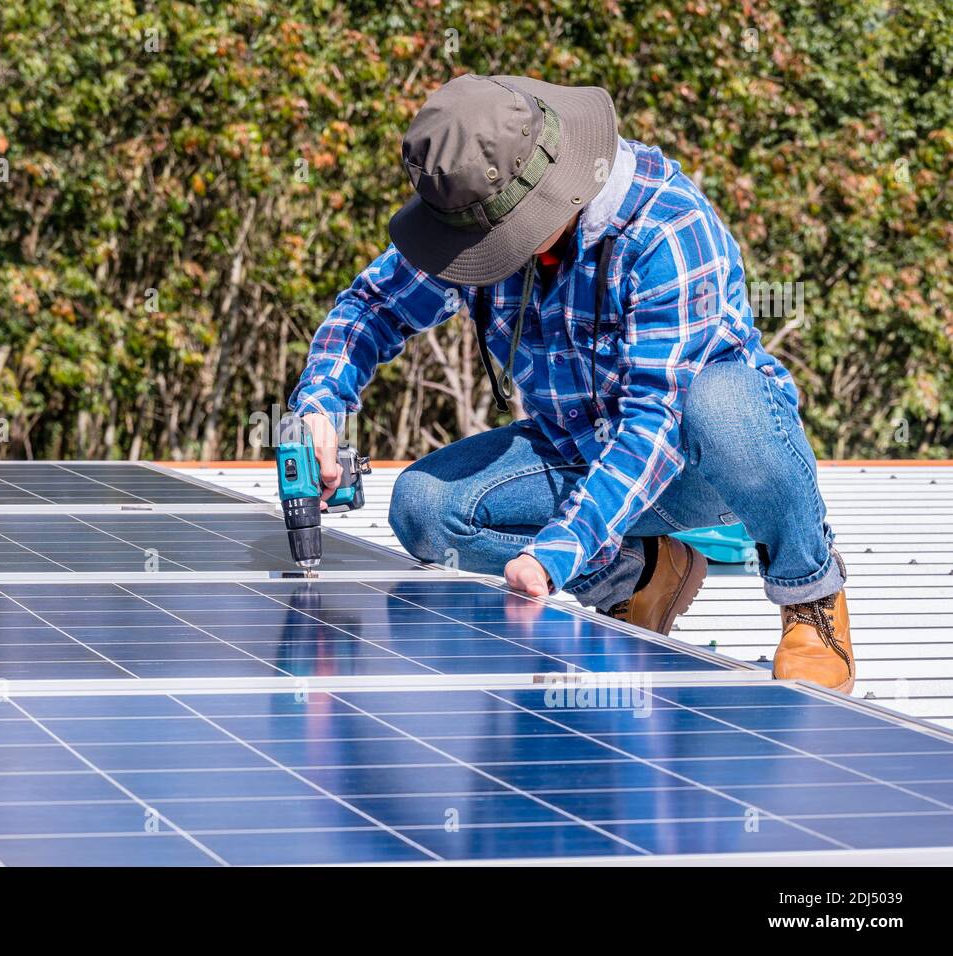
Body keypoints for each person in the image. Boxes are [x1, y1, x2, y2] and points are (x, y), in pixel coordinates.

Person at [287, 74, 853, 692]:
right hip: (576, 452)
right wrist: (319, 405)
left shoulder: (667, 228)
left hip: (700, 461)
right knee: (425, 508)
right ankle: (640, 573)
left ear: (550, 196)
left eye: (489, 244)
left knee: (721, 402)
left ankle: (810, 598)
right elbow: (374, 308)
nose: (479, 258)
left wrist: (557, 552)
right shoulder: (474, 207)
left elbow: (654, 420)